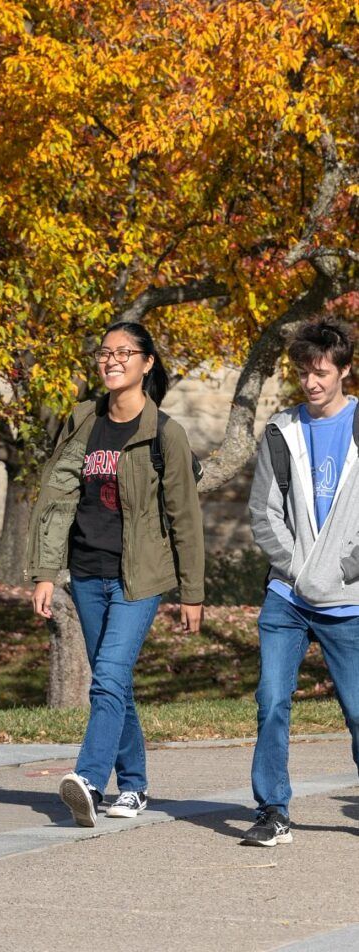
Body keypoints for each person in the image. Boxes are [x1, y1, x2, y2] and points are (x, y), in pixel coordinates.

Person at [27, 321, 205, 827]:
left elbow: (185, 518)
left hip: (139, 579)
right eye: (105, 352)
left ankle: (87, 778)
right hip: (86, 573)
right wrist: (45, 571)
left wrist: (192, 592)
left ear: (147, 363)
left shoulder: (165, 434)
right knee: (116, 682)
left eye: (124, 353)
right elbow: (59, 495)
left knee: (106, 678)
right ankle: (134, 786)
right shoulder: (83, 419)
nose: (112, 360)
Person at [244, 317, 359, 847]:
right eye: (303, 372)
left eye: (320, 372)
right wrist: (298, 570)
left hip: (350, 598)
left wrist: (345, 568)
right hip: (287, 595)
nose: (311, 382)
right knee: (271, 701)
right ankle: (273, 810)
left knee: (357, 711)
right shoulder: (280, 430)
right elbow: (263, 514)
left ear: (344, 370)